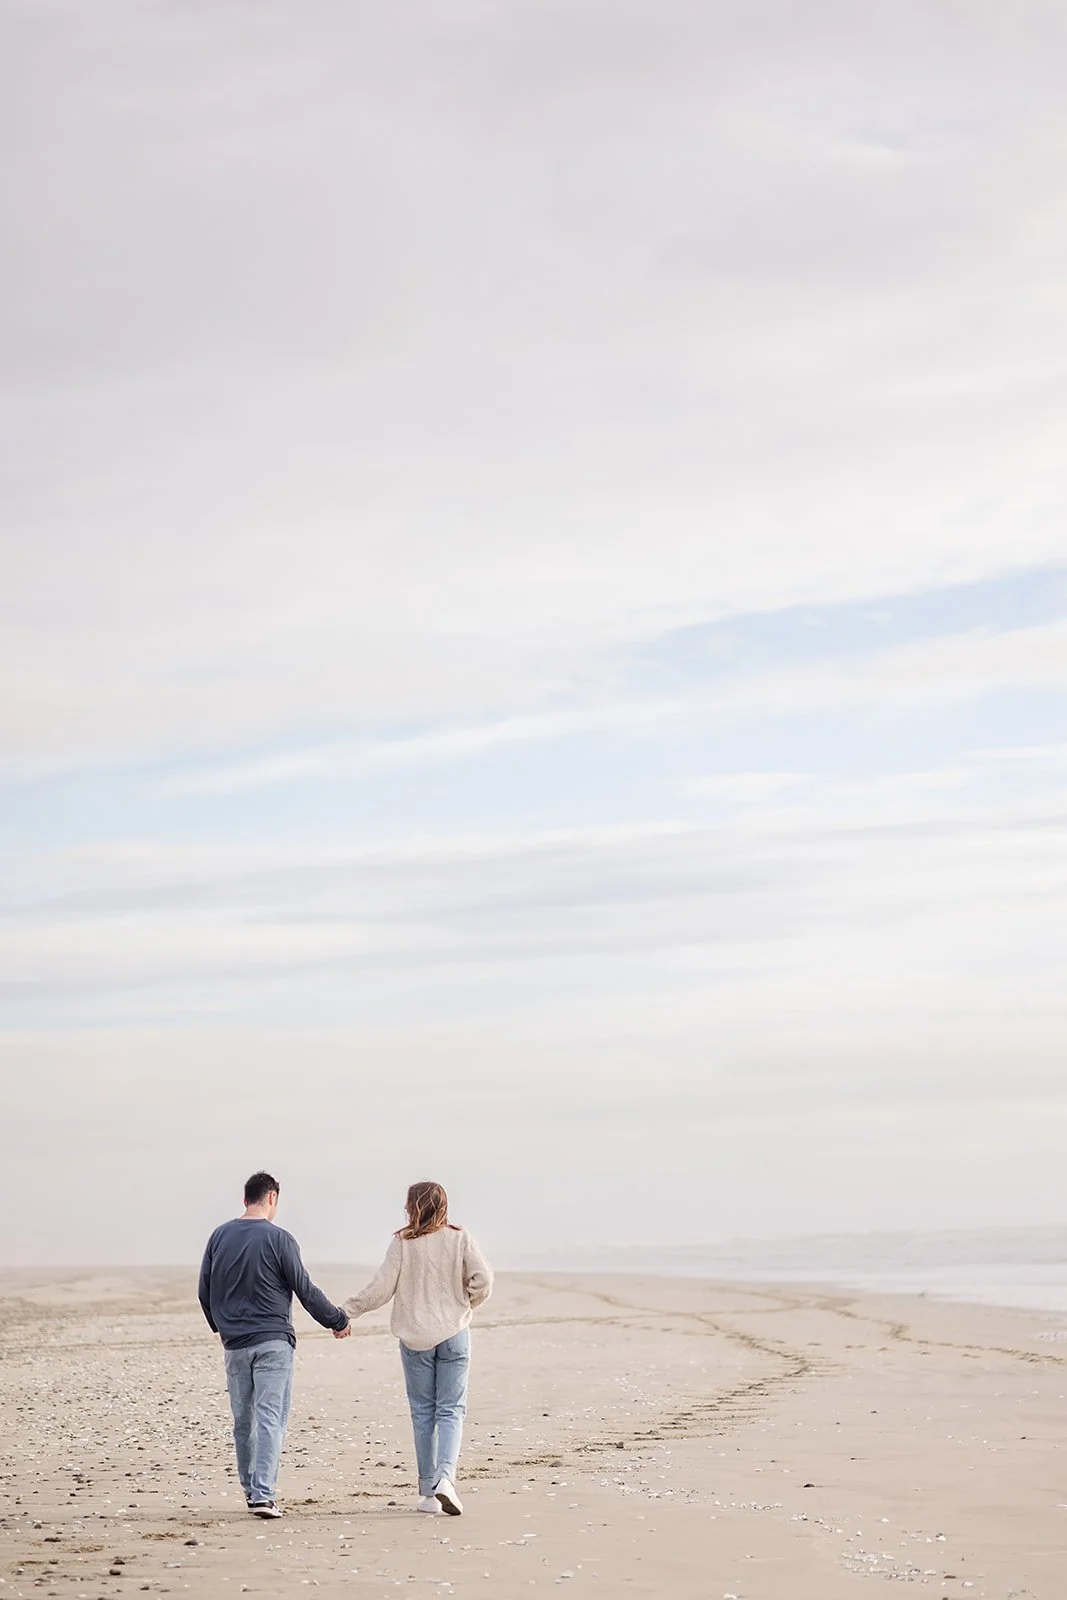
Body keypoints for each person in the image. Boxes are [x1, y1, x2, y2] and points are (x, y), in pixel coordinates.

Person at [198, 1170, 351, 1518]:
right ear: (272, 1198)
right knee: (269, 1417)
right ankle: (264, 1496)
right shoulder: (280, 1239)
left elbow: (204, 1289)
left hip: (235, 1344)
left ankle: (252, 1493)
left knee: (243, 1420)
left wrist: (221, 1326)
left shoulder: (219, 1236)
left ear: (244, 1199)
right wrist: (337, 1320)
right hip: (273, 1341)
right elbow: (305, 1288)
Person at [343, 1181, 493, 1516]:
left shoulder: (403, 1242)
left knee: (424, 1412)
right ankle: (446, 1479)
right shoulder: (460, 1237)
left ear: (414, 1206)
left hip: (415, 1338)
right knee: (451, 1410)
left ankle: (428, 1493)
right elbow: (483, 1279)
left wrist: (346, 1312)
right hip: (455, 1333)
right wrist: (465, 1303)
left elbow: (380, 1289)